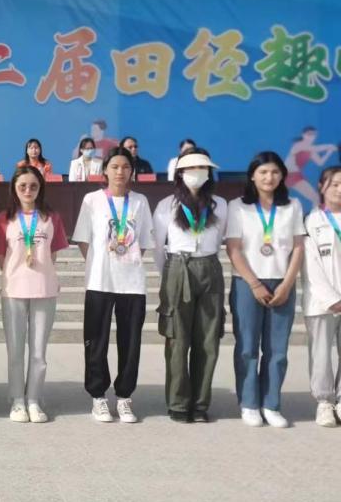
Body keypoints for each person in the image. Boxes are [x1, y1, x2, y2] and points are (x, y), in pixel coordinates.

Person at [71, 146, 154, 424]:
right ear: (105, 170)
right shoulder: (92, 200)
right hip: (100, 281)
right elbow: (83, 240)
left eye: (126, 167)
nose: (120, 172)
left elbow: (143, 242)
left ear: (132, 171)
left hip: (132, 283)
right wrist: (100, 262)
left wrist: (125, 260)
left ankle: (125, 396)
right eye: (115, 166)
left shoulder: (140, 202)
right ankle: (98, 396)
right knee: (97, 340)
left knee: (130, 342)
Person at [226, 151, 305, 428]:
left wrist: (287, 284)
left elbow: (298, 247)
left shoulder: (292, 206)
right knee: (247, 347)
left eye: (274, 172)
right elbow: (234, 249)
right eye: (263, 172)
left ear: (282, 175)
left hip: (282, 282)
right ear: (252, 176)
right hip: (247, 283)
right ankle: (249, 403)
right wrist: (255, 284)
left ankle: (271, 404)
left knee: (277, 349)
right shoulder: (238, 206)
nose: (268, 177)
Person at [152, 150, 227, 423]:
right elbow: (158, 248)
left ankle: (200, 404)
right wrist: (169, 276)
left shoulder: (220, 205)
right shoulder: (167, 206)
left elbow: (221, 239)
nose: (198, 173)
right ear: (180, 174)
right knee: (177, 339)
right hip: (178, 267)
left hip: (209, 267)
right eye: (192, 168)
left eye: (203, 168)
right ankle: (178, 403)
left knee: (208, 340)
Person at [0, 165, 68, 423]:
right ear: (14, 189)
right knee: (15, 350)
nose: (28, 190)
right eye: (22, 186)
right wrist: (17, 273)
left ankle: (34, 399)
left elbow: (53, 254)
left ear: (40, 189)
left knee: (38, 353)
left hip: (44, 289)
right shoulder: (4, 218)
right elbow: (0, 257)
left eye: (33, 186)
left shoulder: (51, 218)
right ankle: (17, 400)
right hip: (13, 290)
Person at [302, 167, 341, 427]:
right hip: (321, 302)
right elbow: (311, 265)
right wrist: (332, 299)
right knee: (321, 355)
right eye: (335, 184)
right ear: (321, 186)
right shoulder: (311, 221)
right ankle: (324, 402)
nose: (340, 189)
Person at [285, 127, 337, 205]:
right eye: (309, 134)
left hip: (295, 176)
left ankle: (315, 213)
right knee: (276, 198)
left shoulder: (311, 150)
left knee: (316, 198)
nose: (311, 136)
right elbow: (317, 148)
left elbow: (320, 162)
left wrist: (329, 151)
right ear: (303, 135)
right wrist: (330, 146)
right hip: (284, 175)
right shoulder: (298, 145)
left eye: (313, 135)